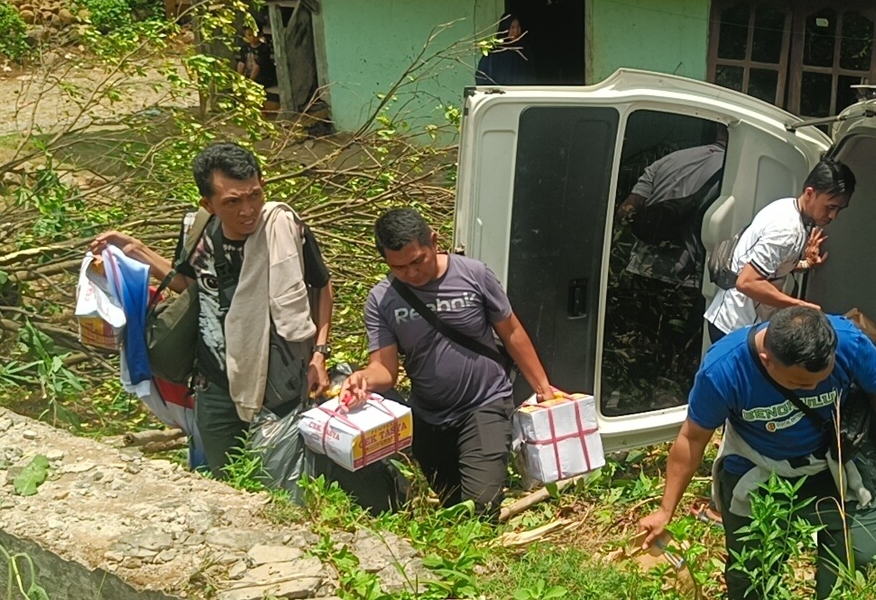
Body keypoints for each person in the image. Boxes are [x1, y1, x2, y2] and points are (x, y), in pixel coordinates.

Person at [91, 143, 333, 474]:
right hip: (216, 387)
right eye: (232, 202)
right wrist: (136, 250)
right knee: (228, 481)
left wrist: (319, 354)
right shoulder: (197, 231)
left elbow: (321, 286)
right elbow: (191, 286)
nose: (247, 210)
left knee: (285, 483)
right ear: (208, 203)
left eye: (255, 195)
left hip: (281, 385)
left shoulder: (284, 230)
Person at [638, 307, 876, 599]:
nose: (815, 387)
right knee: (752, 578)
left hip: (830, 464)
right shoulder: (724, 369)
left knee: (861, 561)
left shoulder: (848, 341)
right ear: (768, 361)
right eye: (801, 383)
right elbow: (692, 439)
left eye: (823, 377)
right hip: (758, 468)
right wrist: (665, 510)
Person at [339, 208, 557, 519]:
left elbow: (511, 332)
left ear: (433, 241)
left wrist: (543, 387)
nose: (412, 273)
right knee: (453, 505)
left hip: (485, 403)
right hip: (429, 417)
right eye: (399, 268)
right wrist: (363, 378)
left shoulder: (473, 274)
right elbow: (385, 370)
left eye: (418, 261)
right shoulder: (382, 299)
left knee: (481, 504)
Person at [704, 158, 855, 343]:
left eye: (839, 209)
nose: (833, 215)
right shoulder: (787, 230)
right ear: (810, 193)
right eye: (830, 207)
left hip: (739, 323)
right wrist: (800, 306)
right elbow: (747, 282)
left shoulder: (790, 208)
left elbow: (773, 267)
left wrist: (805, 263)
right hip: (736, 328)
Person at [616, 126, 728, 289]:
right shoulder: (734, 173)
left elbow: (625, 213)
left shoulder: (668, 160)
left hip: (641, 269)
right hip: (684, 280)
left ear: (718, 128)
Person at [475, 14, 537, 86]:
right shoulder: (494, 52)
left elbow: (531, 77)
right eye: (512, 27)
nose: (516, 31)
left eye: (518, 27)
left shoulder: (524, 50)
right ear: (505, 29)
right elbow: (482, 77)